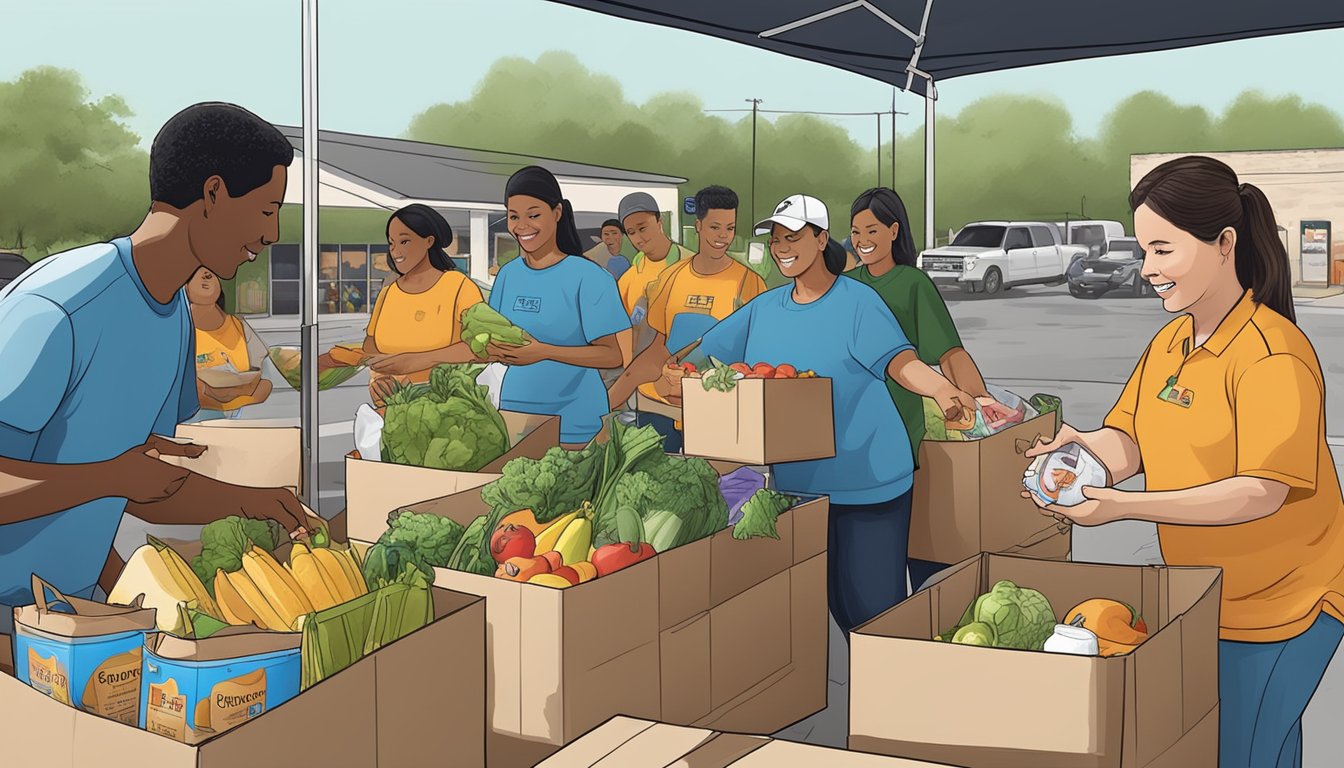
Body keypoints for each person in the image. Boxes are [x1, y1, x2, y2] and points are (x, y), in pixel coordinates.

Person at [1024, 156, 1344, 768]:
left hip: (1286, 604)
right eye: (1144, 250)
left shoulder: (1273, 355)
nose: (1148, 270)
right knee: (1259, 746)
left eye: (1163, 250)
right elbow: (1129, 439)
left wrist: (1122, 507)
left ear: (1224, 244)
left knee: (1238, 750)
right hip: (1209, 594)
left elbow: (1260, 491)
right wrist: (1076, 455)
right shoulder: (1171, 343)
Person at [0, 102, 319, 631]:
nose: (273, 235)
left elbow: (139, 489)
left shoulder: (173, 317)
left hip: (64, 621)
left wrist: (256, 504)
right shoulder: (60, 305)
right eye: (266, 210)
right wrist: (109, 476)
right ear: (214, 194)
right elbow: (111, 478)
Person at [667, 194, 977, 639]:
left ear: (819, 239)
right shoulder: (765, 308)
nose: (782, 248)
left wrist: (944, 389)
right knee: (833, 605)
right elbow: (701, 356)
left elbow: (901, 363)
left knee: (872, 614)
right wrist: (676, 374)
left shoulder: (857, 302)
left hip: (867, 484)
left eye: (792, 237)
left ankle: (895, 700)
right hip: (800, 489)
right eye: (776, 240)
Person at [846, 188, 1015, 592]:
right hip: (849, 436)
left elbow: (949, 354)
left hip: (900, 433)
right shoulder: (845, 287)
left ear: (893, 230)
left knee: (919, 555)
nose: (861, 239)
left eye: (871, 229)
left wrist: (980, 398)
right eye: (854, 231)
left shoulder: (913, 284)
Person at [608, 185, 766, 452]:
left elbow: (754, 361)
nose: (723, 237)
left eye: (730, 228)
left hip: (716, 416)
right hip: (659, 411)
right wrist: (611, 399)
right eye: (715, 227)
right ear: (699, 226)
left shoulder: (748, 283)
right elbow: (659, 348)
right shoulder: (672, 277)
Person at [485, 166, 630, 449]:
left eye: (534, 214)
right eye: (514, 217)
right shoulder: (508, 276)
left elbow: (613, 356)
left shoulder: (589, 277)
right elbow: (495, 339)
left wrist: (543, 351)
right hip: (514, 418)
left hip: (576, 424)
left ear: (557, 212)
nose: (522, 226)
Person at [319, 204, 484, 406]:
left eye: (404, 241)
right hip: (390, 409)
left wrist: (415, 361)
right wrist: (378, 377)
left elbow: (479, 348)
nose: (395, 251)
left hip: (448, 409)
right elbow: (371, 344)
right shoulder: (389, 293)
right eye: (391, 243)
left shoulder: (458, 287)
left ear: (429, 241)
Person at [185, 266, 272, 422]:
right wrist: (241, 391)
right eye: (194, 272)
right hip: (192, 423)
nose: (206, 275)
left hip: (240, 420)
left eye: (211, 272)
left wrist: (217, 393)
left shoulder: (240, 326)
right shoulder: (178, 332)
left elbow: (265, 383)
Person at [616, 192, 689, 359]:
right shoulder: (630, 277)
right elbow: (622, 329)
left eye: (642, 228)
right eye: (631, 232)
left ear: (659, 223)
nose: (638, 238)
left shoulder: (689, 264)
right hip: (642, 374)